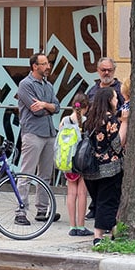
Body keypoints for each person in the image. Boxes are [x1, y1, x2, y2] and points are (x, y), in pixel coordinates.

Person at [16, 52, 60, 225]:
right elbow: (37, 110)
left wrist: (45, 105)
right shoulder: (25, 85)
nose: (48, 66)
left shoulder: (48, 85)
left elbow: (56, 107)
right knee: (26, 174)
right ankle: (20, 211)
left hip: (49, 133)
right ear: (35, 66)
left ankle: (42, 210)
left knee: (45, 174)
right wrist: (45, 107)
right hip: (33, 133)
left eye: (48, 63)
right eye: (44, 64)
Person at [81, 88, 127, 245]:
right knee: (107, 202)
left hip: (90, 169)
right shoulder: (110, 120)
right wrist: (125, 123)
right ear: (108, 100)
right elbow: (116, 145)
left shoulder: (89, 119)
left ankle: (115, 232)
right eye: (114, 98)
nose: (116, 101)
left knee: (101, 201)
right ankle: (98, 237)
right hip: (109, 168)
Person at [60, 92, 91, 236]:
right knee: (82, 193)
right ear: (86, 106)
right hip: (82, 161)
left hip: (68, 160)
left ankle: (72, 226)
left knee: (71, 193)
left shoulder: (65, 120)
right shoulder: (87, 121)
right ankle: (81, 226)